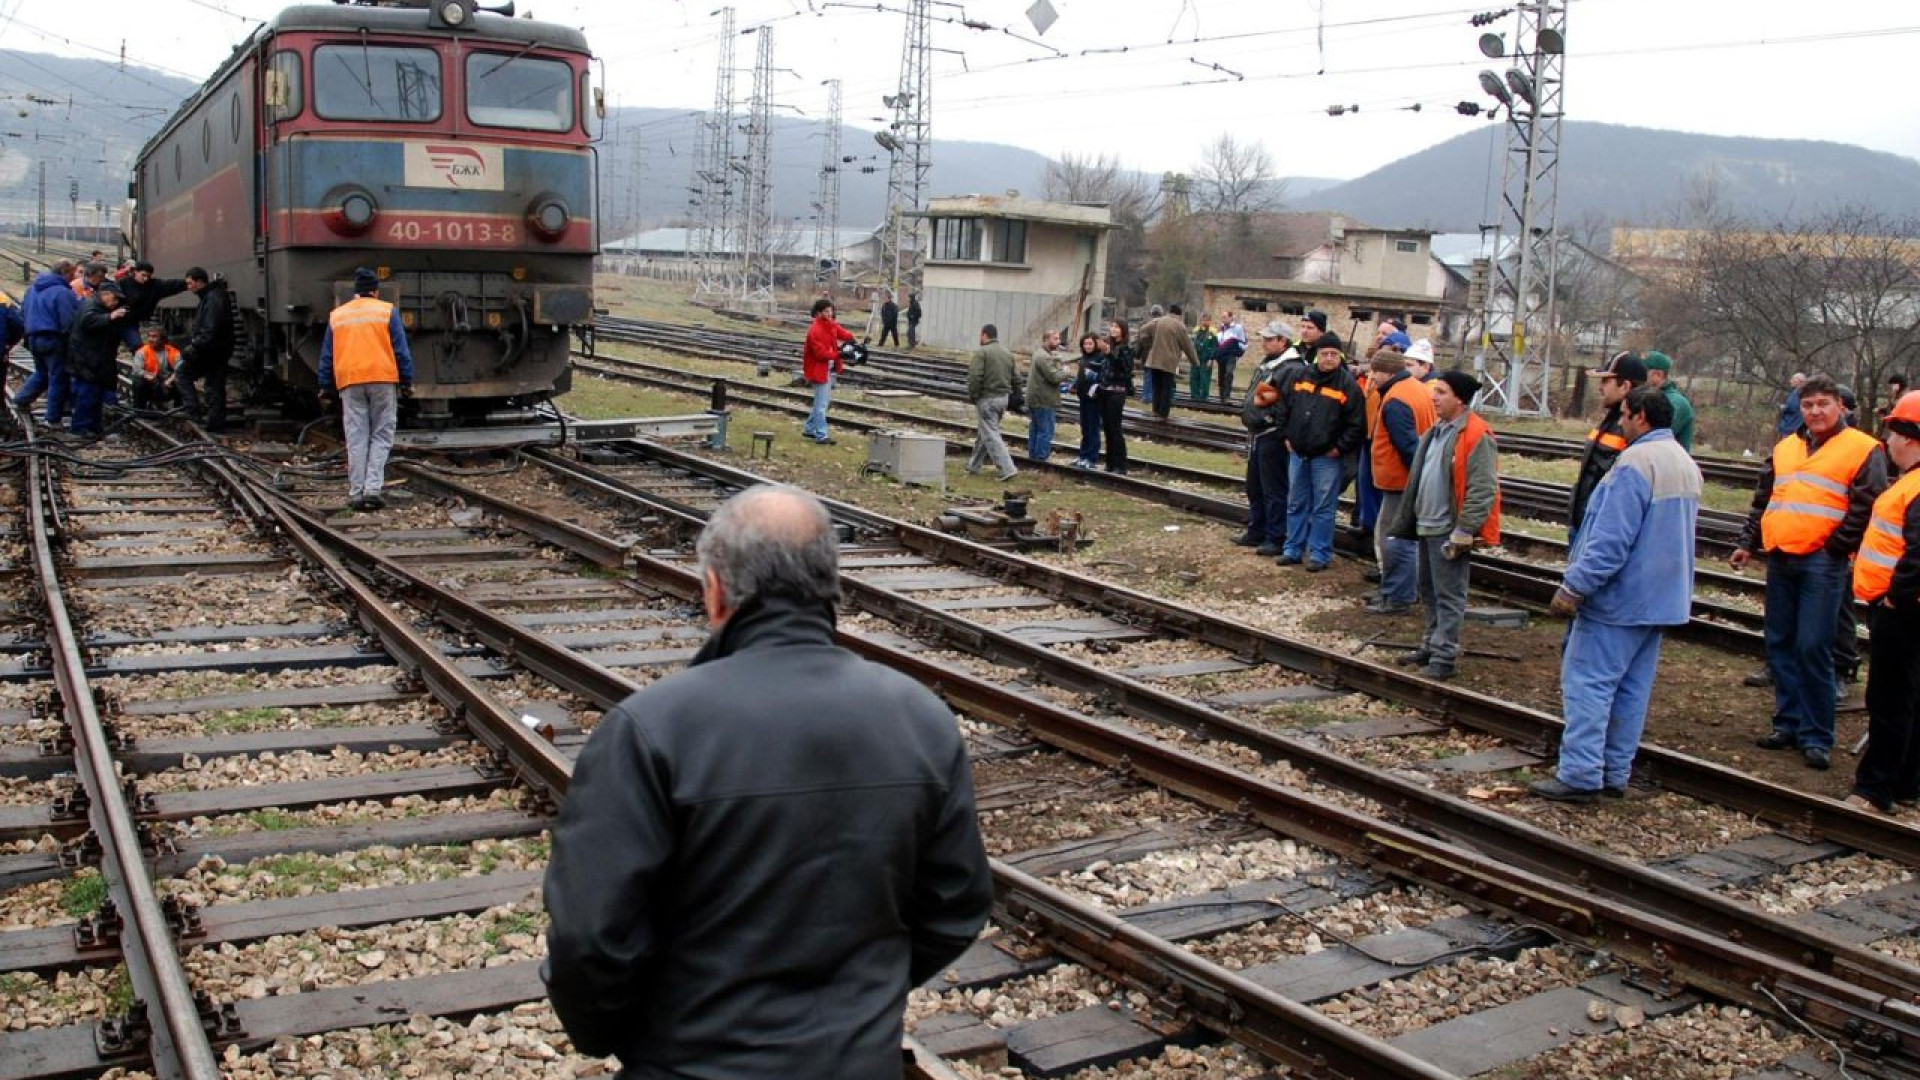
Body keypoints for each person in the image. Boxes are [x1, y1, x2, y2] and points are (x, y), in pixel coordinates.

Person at [543, 484, 992, 1079]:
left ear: (716, 590)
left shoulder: (649, 729)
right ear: (830, 584)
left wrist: (634, 1037)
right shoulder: (922, 719)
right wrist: (856, 1004)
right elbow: (957, 905)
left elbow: (592, 938)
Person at [1531, 387, 1702, 802]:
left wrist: (1575, 587)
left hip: (1620, 600)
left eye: (1625, 415)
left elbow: (1610, 542)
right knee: (1632, 690)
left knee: (1589, 684)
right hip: (1662, 601)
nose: (1620, 422)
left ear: (1641, 416)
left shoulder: (1634, 464)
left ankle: (1580, 774)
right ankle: (1613, 772)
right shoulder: (1684, 463)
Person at [1731, 375, 1890, 770]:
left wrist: (1835, 547)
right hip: (1782, 556)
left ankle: (1817, 734)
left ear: (1841, 407)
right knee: (1780, 642)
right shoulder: (1787, 447)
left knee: (1813, 646)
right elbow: (1765, 497)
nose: (1815, 412)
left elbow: (1867, 504)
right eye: (1808, 405)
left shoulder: (1863, 449)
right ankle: (1787, 722)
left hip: (1822, 562)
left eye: (1823, 404)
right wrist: (1748, 541)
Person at [1388, 371, 1501, 680]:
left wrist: (1465, 529)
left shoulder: (1477, 434)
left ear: (1460, 399)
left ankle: (1444, 655)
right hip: (1427, 524)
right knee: (1429, 590)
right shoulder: (1436, 431)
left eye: (1441, 392)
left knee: (1449, 594)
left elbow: (1482, 487)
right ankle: (1431, 644)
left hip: (1448, 528)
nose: (1434, 397)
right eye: (1435, 391)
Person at [1847, 391, 1920, 813]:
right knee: (1908, 695)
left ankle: (1874, 788)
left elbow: (1918, 553)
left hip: (1902, 610)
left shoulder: (1915, 487)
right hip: (1905, 606)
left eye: (1891, 432)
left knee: (1889, 698)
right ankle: (1907, 781)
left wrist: (1897, 596)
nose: (1886, 441)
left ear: (1909, 438)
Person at [318, 268, 414, 511]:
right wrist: (406, 381)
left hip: (350, 381)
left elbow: (327, 356)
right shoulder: (386, 311)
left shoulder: (338, 315)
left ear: (356, 292)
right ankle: (373, 489)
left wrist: (325, 386)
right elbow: (401, 350)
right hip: (382, 378)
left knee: (356, 435)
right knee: (381, 434)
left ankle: (356, 491)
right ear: (375, 291)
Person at [1277, 334, 1364, 571]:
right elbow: (1284, 406)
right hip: (1298, 452)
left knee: (1323, 508)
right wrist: (1286, 436)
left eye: (1334, 354)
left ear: (1340, 356)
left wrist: (1339, 448)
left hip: (1327, 457)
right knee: (1295, 503)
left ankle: (1319, 553)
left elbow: (1356, 423)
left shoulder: (1347, 385)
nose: (1329, 358)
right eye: (1325, 353)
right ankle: (1292, 549)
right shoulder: (1300, 377)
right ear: (1317, 355)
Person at [1366, 349, 1437, 614]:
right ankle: (1397, 591)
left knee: (1395, 539)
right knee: (1402, 538)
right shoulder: (1416, 389)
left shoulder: (1396, 400)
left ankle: (1398, 596)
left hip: (1400, 481)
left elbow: (1408, 446)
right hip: (1407, 479)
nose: (1371, 377)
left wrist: (1416, 478)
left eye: (1375, 371)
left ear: (1387, 372)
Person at [1236, 322, 1302, 556]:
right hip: (1260, 433)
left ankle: (1275, 536)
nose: (1264, 343)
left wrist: (1271, 421)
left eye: (1269, 339)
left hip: (1271, 434)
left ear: (1282, 341)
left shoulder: (1291, 368)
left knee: (1273, 488)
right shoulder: (1272, 364)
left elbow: (1289, 403)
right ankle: (1258, 529)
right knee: (1255, 485)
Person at [1569, 351, 1648, 543]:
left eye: (1606, 381)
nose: (1600, 388)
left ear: (1625, 386)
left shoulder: (1632, 430)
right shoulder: (1610, 421)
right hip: (1585, 523)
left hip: (1600, 530)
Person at [64, 278, 131, 438]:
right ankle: (80, 427)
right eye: (114, 298)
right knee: (87, 395)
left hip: (96, 359)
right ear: (105, 295)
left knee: (95, 395)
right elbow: (89, 321)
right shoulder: (90, 307)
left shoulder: (96, 306)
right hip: (87, 360)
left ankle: (93, 426)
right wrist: (110, 317)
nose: (115, 303)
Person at [14, 261, 80, 423]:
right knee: (58, 378)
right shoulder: (62, 292)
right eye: (71, 274)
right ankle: (53, 418)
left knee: (42, 373)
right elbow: (68, 321)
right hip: (54, 338)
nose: (72, 278)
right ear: (64, 272)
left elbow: (22, 313)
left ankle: (22, 399)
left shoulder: (32, 290)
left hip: (33, 338)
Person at [173, 267, 234, 431]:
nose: (189, 287)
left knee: (184, 374)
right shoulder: (212, 296)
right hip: (216, 349)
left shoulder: (213, 298)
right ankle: (214, 422)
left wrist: (194, 347)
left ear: (199, 282)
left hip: (211, 350)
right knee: (214, 385)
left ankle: (193, 412)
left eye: (190, 283)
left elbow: (211, 328)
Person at [965, 323, 1019, 482]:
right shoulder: (1007, 352)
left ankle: (1007, 468)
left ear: (984, 335)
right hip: (1003, 398)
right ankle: (974, 465)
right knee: (986, 431)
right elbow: (1016, 378)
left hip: (987, 398)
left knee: (991, 433)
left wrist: (973, 395)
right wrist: (1016, 396)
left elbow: (975, 377)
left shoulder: (982, 353)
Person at [801, 297, 853, 445]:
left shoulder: (830, 325)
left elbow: (842, 333)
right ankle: (821, 435)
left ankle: (809, 428)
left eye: (831, 311)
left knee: (822, 402)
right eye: (826, 311)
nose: (829, 314)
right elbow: (820, 354)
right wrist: (840, 354)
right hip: (818, 370)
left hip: (827, 369)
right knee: (821, 405)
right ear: (818, 313)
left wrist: (855, 340)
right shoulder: (815, 331)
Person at [1139, 303, 1197, 419]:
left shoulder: (1158, 321)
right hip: (1169, 362)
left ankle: (1155, 410)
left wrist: (1149, 345)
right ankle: (1163, 413)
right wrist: (1195, 362)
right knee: (1166, 387)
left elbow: (1143, 331)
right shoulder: (1179, 326)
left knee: (1157, 387)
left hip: (1154, 359)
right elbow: (1187, 346)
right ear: (1179, 314)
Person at [115, 261, 189, 345]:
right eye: (143, 275)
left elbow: (170, 285)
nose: (146, 279)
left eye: (148, 276)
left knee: (137, 346)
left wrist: (188, 283)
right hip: (118, 320)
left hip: (133, 324)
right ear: (135, 272)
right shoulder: (123, 284)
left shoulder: (154, 285)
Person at [1642, 350, 1695, 452]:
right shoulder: (1646, 397)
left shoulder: (1676, 403)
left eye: (1642, 372)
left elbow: (1653, 436)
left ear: (1658, 375)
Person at [1026, 328, 1066, 463]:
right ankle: (1041, 458)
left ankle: (1033, 456)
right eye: (1055, 339)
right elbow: (1054, 377)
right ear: (1046, 339)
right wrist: (1065, 371)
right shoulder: (1043, 356)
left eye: (1059, 338)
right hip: (1043, 399)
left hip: (1037, 398)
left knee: (1036, 429)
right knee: (1045, 430)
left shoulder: (1041, 354)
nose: (1058, 341)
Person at [1099, 319, 1134, 475]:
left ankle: (1121, 464)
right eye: (1112, 326)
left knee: (1115, 428)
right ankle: (1110, 462)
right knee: (1107, 427)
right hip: (1105, 390)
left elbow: (1124, 369)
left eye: (1116, 327)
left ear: (1123, 330)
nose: (1113, 329)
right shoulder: (1110, 346)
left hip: (1117, 391)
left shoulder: (1126, 348)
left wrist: (1109, 354)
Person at [1070, 331, 1104, 469]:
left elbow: (1102, 377)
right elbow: (1080, 377)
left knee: (1093, 428)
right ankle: (1083, 455)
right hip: (1083, 397)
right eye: (1085, 344)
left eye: (1090, 343)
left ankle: (1092, 457)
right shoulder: (1084, 359)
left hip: (1094, 399)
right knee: (1085, 428)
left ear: (1095, 344)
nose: (1087, 346)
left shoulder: (1100, 359)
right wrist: (1074, 385)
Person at [130, 327, 181, 409]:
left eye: (154, 336)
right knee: (138, 381)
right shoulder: (142, 352)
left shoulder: (173, 351)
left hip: (167, 383)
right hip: (151, 384)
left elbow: (180, 368)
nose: (150, 339)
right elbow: (137, 370)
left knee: (181, 379)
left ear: (163, 339)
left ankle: (179, 410)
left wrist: (170, 380)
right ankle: (139, 410)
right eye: (149, 336)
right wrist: (147, 376)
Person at [1215, 311, 1247, 404]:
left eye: (1225, 317)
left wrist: (1238, 352)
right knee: (1221, 375)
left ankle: (1227, 397)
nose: (1223, 319)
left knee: (1229, 373)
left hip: (1231, 355)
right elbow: (1218, 341)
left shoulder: (1238, 328)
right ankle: (1222, 398)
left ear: (1231, 317)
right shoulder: (1221, 328)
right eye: (1222, 317)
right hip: (1221, 355)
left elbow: (1243, 342)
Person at [1190, 319, 1217, 403]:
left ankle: (1203, 397)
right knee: (1194, 377)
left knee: (1204, 379)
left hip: (1206, 359)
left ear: (1210, 321)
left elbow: (1215, 347)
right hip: (1196, 358)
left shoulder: (1213, 332)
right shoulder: (1196, 331)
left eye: (1207, 320)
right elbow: (1191, 344)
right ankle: (1194, 396)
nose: (1205, 322)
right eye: (1203, 320)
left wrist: (1211, 359)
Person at [1777, 372, 1808, 437]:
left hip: (1791, 426)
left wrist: (1784, 408)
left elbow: (1793, 407)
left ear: (1799, 381)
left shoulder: (1799, 393)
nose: (1790, 381)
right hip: (1794, 426)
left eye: (1793, 379)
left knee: (1786, 445)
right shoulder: (1802, 392)